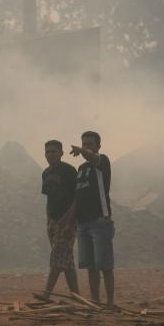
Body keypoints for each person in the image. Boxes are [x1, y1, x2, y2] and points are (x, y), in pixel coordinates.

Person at [67, 131, 114, 308]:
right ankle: (95, 301)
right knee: (91, 266)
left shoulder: (102, 161)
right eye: (84, 143)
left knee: (105, 264)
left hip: (100, 220)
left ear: (98, 146)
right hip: (83, 222)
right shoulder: (81, 169)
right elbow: (77, 196)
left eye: (90, 143)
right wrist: (71, 220)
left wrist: (81, 150)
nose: (86, 146)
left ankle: (109, 303)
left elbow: (93, 157)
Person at [39, 140, 79, 300]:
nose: (50, 154)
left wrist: (69, 219)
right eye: (47, 152)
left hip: (67, 221)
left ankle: (46, 294)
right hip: (53, 222)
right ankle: (76, 296)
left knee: (57, 257)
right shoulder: (46, 173)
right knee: (66, 260)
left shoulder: (69, 171)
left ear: (61, 153)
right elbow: (49, 198)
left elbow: (77, 197)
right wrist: (48, 220)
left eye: (54, 151)